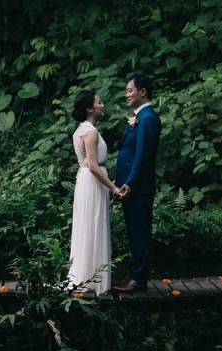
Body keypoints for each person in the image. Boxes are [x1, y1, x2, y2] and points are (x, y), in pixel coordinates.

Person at [67, 91, 121, 296]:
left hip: (87, 182)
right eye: (99, 102)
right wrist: (113, 187)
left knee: (88, 225)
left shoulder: (81, 130)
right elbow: (92, 165)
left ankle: (88, 274)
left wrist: (108, 182)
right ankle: (93, 279)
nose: (102, 105)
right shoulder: (90, 132)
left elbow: (91, 166)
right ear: (90, 108)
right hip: (91, 181)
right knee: (93, 224)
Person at [113, 74, 161, 293]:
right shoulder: (137, 116)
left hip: (138, 188)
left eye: (130, 90)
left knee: (140, 233)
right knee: (134, 233)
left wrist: (130, 183)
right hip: (130, 187)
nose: (127, 94)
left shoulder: (149, 118)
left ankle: (138, 280)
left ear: (143, 92)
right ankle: (134, 275)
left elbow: (142, 155)